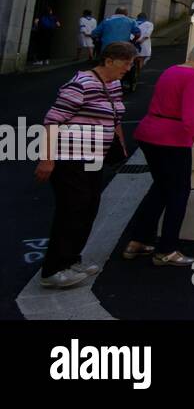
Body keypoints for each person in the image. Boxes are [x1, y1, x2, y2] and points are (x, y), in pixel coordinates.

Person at [35, 41, 137, 289]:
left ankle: (71, 260)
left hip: (94, 157)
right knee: (71, 210)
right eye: (126, 63)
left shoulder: (112, 85)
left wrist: (120, 149)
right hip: (70, 158)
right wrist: (47, 159)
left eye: (131, 64)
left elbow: (115, 119)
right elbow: (52, 121)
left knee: (89, 207)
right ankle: (53, 269)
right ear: (109, 60)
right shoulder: (80, 85)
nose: (128, 69)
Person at [123, 41, 194, 267]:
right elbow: (190, 117)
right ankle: (167, 250)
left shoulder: (173, 70)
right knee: (178, 193)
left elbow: (180, 93)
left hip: (148, 134)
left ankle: (138, 241)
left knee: (160, 189)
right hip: (171, 141)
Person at [132, 12, 154, 85]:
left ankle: (132, 73)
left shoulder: (133, 22)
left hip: (132, 43)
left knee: (133, 58)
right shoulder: (149, 24)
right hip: (144, 44)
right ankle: (136, 75)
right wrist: (141, 41)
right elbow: (147, 34)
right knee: (141, 59)